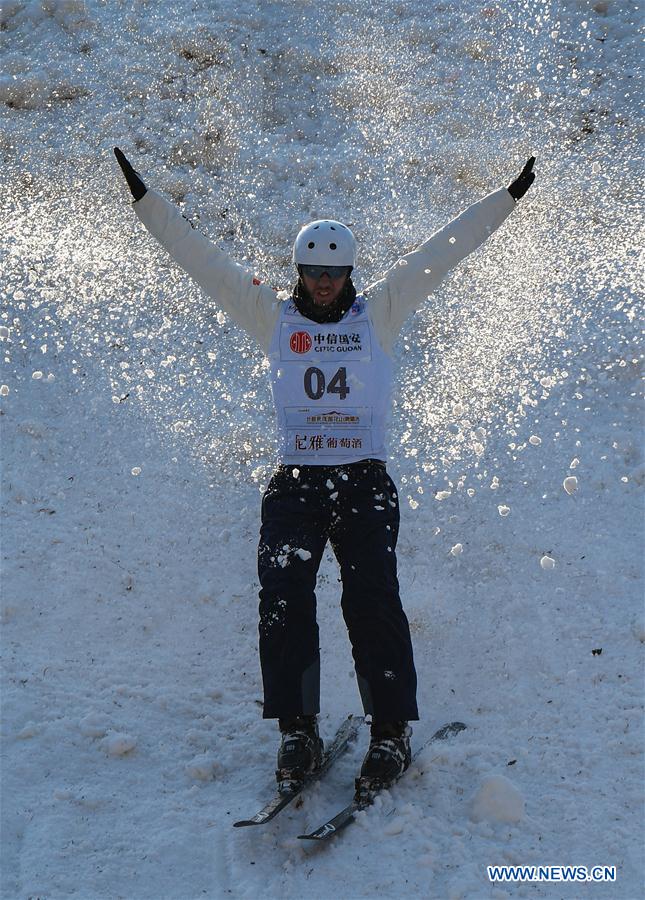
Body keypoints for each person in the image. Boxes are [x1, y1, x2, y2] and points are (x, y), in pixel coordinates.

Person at [114, 147, 535, 790]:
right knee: (283, 601)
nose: (324, 283)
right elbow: (201, 260)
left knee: (371, 602)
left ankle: (390, 734)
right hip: (297, 482)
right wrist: (147, 202)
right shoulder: (271, 317)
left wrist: (507, 197)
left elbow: (442, 252)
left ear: (350, 272)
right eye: (314, 272)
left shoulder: (381, 313)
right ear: (299, 271)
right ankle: (298, 733)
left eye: (335, 273)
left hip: (363, 478)